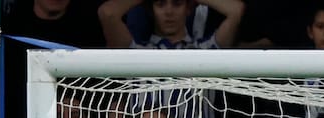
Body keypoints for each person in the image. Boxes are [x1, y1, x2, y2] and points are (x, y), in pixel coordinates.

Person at [99, 0, 246, 49]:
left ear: (188, 9)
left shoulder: (205, 50)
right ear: (151, 10)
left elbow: (236, 10)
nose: (169, 12)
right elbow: (108, 13)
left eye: (177, 3)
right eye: (160, 4)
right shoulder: (137, 52)